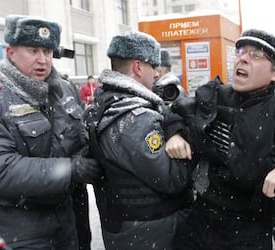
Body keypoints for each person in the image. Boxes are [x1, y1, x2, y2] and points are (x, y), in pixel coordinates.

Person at [169, 28, 275, 250]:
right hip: (199, 221)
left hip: (247, 231)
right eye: (241, 51)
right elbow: (176, 111)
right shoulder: (215, 96)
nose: (243, 58)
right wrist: (174, 133)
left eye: (257, 55)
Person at [0, 15, 102, 249]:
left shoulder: (64, 90)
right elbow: (1, 168)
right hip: (21, 229)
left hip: (70, 221)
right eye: (32, 50)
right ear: (10, 52)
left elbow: (82, 139)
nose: (42, 60)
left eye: (47, 51)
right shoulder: (1, 97)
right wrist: (68, 170)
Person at [83, 31, 194, 250]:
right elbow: (173, 179)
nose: (157, 74)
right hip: (149, 229)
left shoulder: (102, 103)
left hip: (123, 225)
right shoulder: (137, 119)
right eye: (154, 67)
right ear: (138, 67)